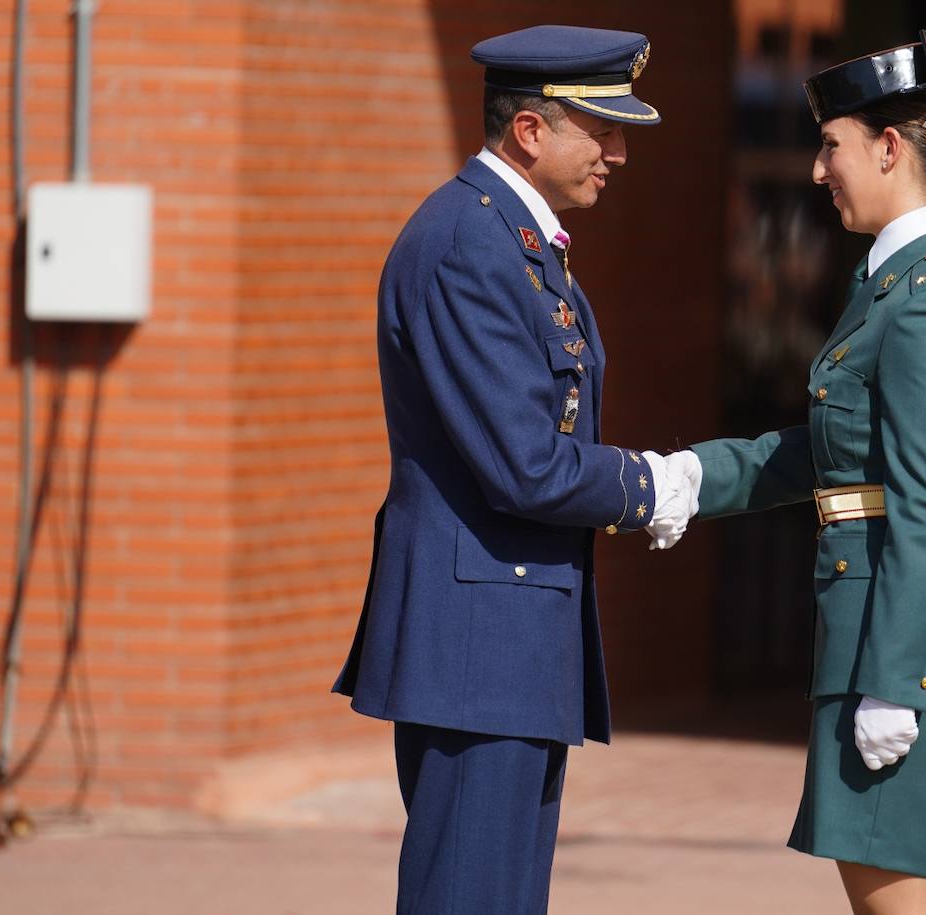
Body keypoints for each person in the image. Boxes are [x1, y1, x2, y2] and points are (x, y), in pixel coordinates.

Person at [657, 31, 926, 915]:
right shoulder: (902, 278)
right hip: (916, 640)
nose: (815, 170)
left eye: (830, 145)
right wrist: (691, 476)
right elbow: (845, 452)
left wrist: (894, 682)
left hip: (916, 650)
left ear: (888, 147)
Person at [331, 26, 691, 914]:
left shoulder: (510, 239)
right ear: (530, 132)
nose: (617, 154)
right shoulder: (469, 245)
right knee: (470, 896)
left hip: (506, 632)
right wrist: (650, 486)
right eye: (601, 131)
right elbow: (524, 465)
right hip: (477, 642)